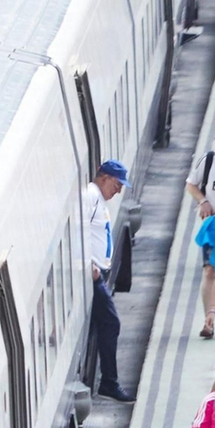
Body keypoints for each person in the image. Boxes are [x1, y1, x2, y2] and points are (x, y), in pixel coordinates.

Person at [81, 156, 133, 400]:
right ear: (104, 178)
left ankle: (108, 381)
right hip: (93, 275)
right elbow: (78, 229)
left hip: (99, 272)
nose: (119, 190)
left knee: (106, 324)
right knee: (111, 323)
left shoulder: (98, 198)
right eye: (117, 184)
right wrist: (88, 262)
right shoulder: (91, 195)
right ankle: (109, 383)